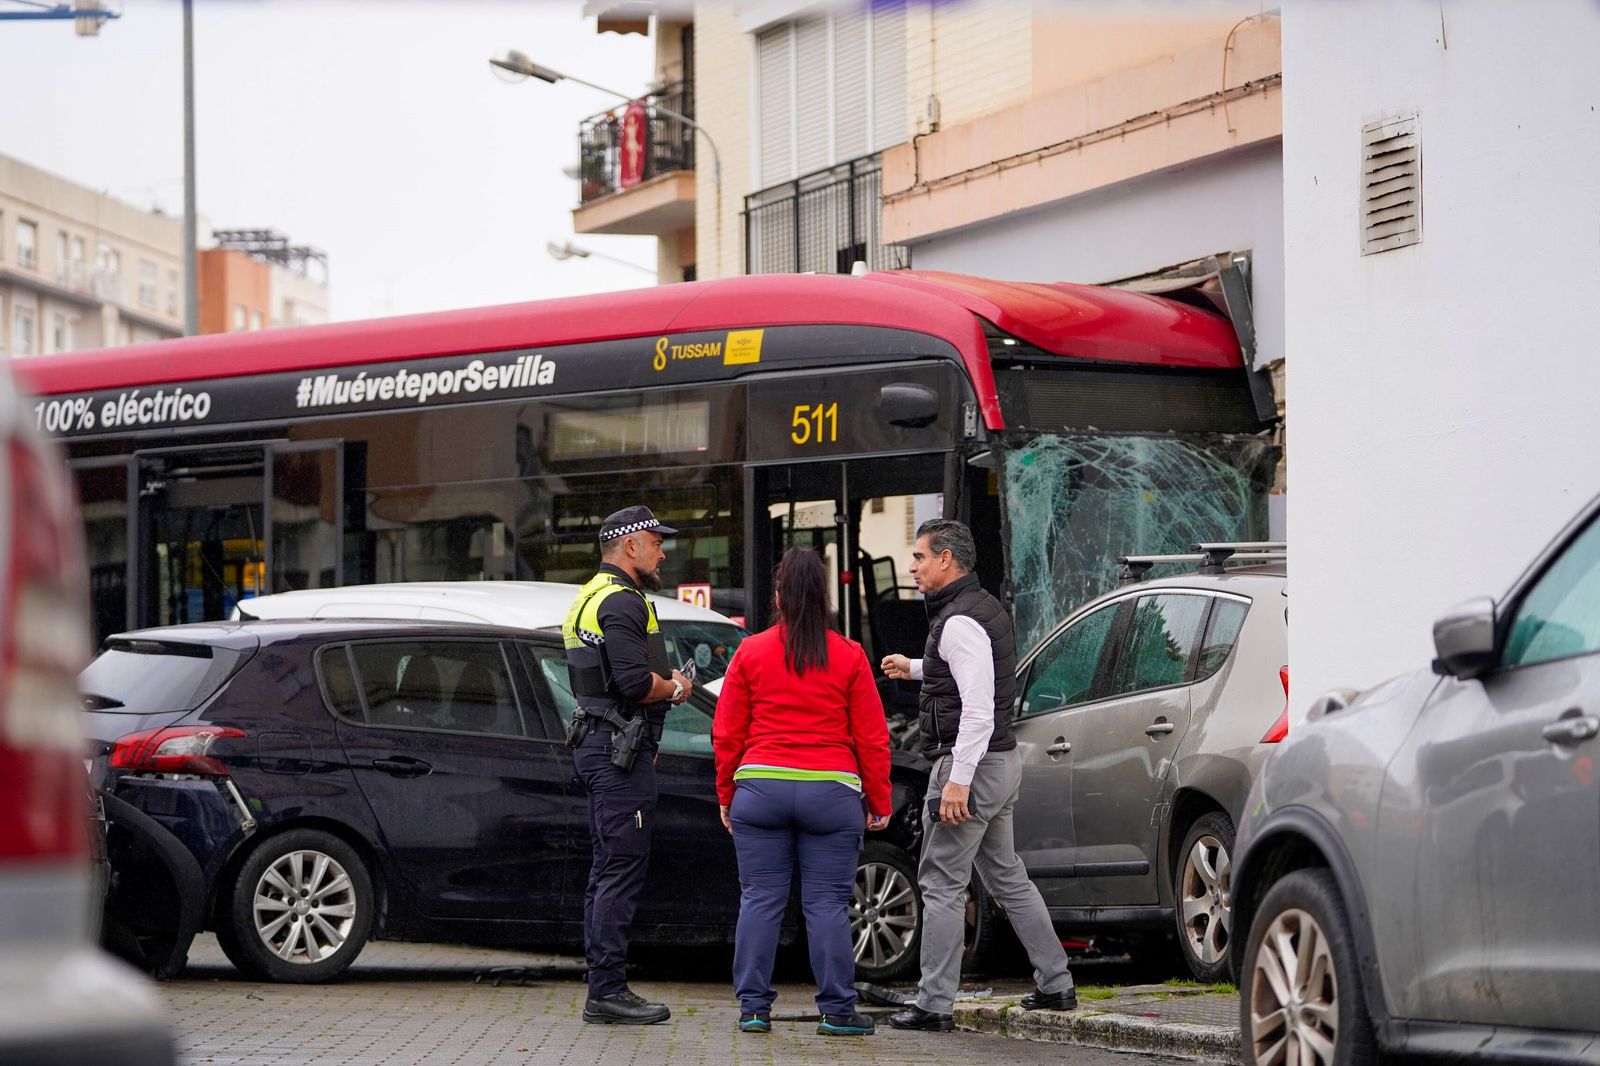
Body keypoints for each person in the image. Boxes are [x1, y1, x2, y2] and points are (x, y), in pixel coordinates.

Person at [882, 518, 1076, 1032]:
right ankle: (1056, 983)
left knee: (942, 882)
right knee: (1007, 875)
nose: (914, 567)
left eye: (920, 557)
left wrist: (958, 780)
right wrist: (916, 666)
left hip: (972, 764)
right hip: (1001, 764)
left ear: (946, 559)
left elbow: (977, 711)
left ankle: (934, 1004)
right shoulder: (980, 609)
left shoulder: (958, 621)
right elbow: (973, 671)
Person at [712, 548, 892, 1037]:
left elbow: (727, 733)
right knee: (828, 905)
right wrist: (879, 800)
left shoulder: (750, 652)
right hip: (831, 794)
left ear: (778, 596)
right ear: (823, 597)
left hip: (762, 789)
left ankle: (753, 1008)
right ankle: (837, 1010)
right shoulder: (850, 654)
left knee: (760, 899)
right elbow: (872, 737)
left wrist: (727, 793)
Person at [563, 505, 694, 1025]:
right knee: (620, 869)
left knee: (606, 868)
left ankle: (603, 985)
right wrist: (679, 687)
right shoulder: (620, 600)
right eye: (656, 541)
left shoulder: (589, 595)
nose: (663, 551)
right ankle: (608, 991)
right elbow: (636, 683)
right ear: (629, 546)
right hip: (617, 756)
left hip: (603, 745)